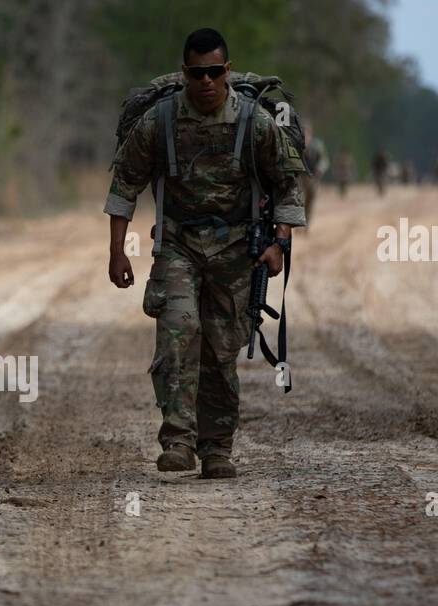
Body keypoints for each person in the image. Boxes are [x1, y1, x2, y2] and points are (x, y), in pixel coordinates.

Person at [104, 27, 306, 478]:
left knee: (220, 348)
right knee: (178, 330)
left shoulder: (254, 122)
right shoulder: (159, 122)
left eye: (215, 72)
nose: (207, 82)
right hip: (177, 243)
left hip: (237, 249)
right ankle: (177, 440)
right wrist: (117, 252)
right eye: (198, 74)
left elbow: (287, 186)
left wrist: (280, 244)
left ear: (227, 71)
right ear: (186, 73)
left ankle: (217, 448)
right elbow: (124, 186)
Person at [300, 120, 329, 223]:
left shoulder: (317, 145)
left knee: (310, 200)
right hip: (300, 177)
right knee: (299, 199)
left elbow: (324, 160)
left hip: (312, 177)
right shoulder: (297, 144)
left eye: (307, 132)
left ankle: (307, 220)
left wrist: (320, 169)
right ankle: (300, 220)